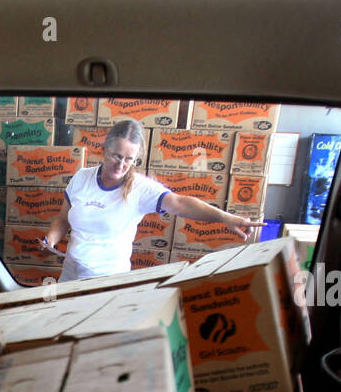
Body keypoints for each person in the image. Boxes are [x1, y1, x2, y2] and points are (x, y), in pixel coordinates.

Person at [42, 119, 263, 281]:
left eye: (129, 159)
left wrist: (225, 217)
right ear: (104, 150)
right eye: (116, 156)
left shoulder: (139, 188)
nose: (121, 164)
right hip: (70, 273)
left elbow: (180, 203)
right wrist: (51, 239)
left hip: (106, 280)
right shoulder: (82, 177)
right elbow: (63, 219)